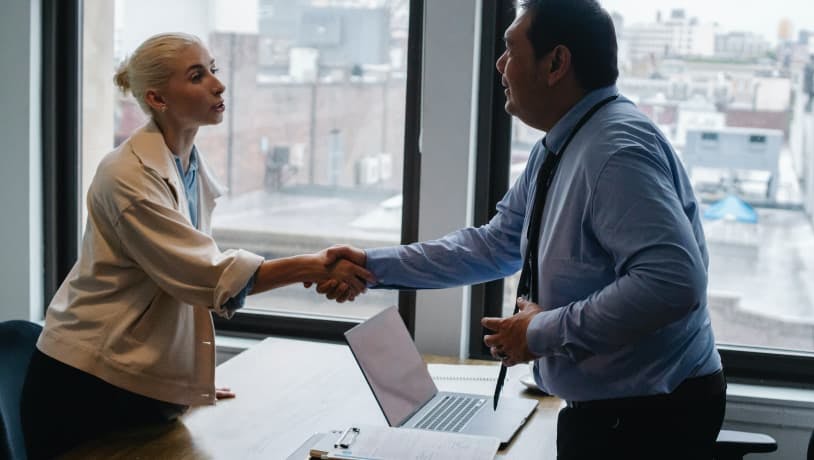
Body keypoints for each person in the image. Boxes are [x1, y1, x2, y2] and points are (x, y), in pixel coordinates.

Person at [319, 1, 725, 458]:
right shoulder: (561, 145)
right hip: (615, 410)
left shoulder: (615, 153)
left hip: (646, 419)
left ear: (556, 63)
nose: (499, 64)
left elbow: (672, 283)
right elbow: (494, 246)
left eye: (511, 50)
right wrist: (371, 266)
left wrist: (538, 332)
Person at [19, 33, 373, 460]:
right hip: (88, 385)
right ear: (157, 98)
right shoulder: (127, 177)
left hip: (134, 377)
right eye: (196, 76)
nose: (218, 85)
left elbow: (184, 281)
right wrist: (313, 267)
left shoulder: (185, 164)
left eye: (213, 70)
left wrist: (183, 378)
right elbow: (205, 275)